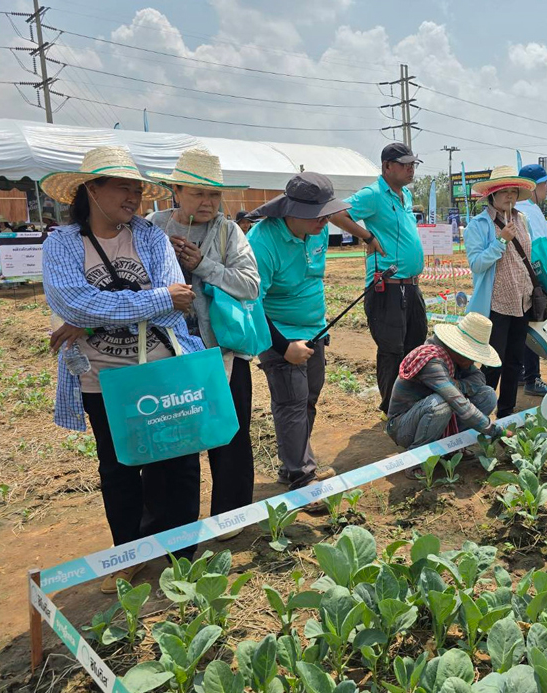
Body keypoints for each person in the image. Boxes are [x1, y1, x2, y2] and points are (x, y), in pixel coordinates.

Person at [39, 146, 202, 592]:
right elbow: (73, 300)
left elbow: (178, 304)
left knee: (179, 463)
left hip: (161, 369)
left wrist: (89, 319)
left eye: (137, 189)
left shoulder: (149, 237)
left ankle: (182, 556)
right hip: (103, 379)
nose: (133, 197)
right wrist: (153, 298)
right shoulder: (62, 243)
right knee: (119, 468)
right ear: (91, 189)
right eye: (123, 188)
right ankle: (129, 555)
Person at [146, 147, 261, 527]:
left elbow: (250, 286)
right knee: (175, 440)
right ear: (175, 190)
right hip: (166, 355)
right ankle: (177, 524)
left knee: (230, 436)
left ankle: (230, 517)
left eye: (214, 194)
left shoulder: (228, 233)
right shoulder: (151, 227)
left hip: (221, 352)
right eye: (198, 192)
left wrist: (203, 265)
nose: (208, 201)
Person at [247, 173, 346, 502]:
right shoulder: (262, 242)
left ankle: (292, 466)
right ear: (291, 210)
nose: (326, 220)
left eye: (327, 212)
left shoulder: (318, 229)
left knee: (308, 400)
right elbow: (251, 304)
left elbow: (311, 278)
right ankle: (303, 480)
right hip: (278, 334)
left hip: (315, 331)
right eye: (318, 213)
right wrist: (283, 347)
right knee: (291, 403)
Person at [328, 142, 425, 415]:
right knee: (392, 350)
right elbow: (337, 213)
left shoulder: (404, 195)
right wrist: (367, 236)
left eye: (413, 164)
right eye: (405, 164)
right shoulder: (373, 194)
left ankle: (409, 404)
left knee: (415, 346)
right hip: (388, 288)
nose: (410, 169)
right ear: (387, 166)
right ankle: (392, 410)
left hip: (411, 286)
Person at [464, 167, 539, 418]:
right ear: (491, 196)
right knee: (492, 362)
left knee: (515, 362)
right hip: (496, 304)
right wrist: (501, 241)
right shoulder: (478, 225)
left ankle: (506, 413)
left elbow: (527, 256)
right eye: (503, 192)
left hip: (522, 301)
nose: (509, 196)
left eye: (513, 192)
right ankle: (480, 412)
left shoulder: (522, 219)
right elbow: (476, 264)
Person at [386, 312, 502, 448]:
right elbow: (458, 402)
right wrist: (493, 430)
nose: (473, 361)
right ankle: (417, 458)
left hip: (431, 419)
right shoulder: (432, 360)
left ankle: (451, 447)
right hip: (403, 426)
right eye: (472, 355)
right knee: (441, 404)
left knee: (487, 395)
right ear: (459, 348)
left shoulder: (457, 359)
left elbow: (479, 378)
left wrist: (458, 385)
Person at [515, 163, 547, 397]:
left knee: (520, 326)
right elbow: (539, 252)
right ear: (531, 187)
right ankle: (533, 378)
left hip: (517, 278)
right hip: (531, 279)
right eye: (544, 184)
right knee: (534, 323)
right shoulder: (531, 211)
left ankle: (522, 372)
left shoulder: (516, 208)